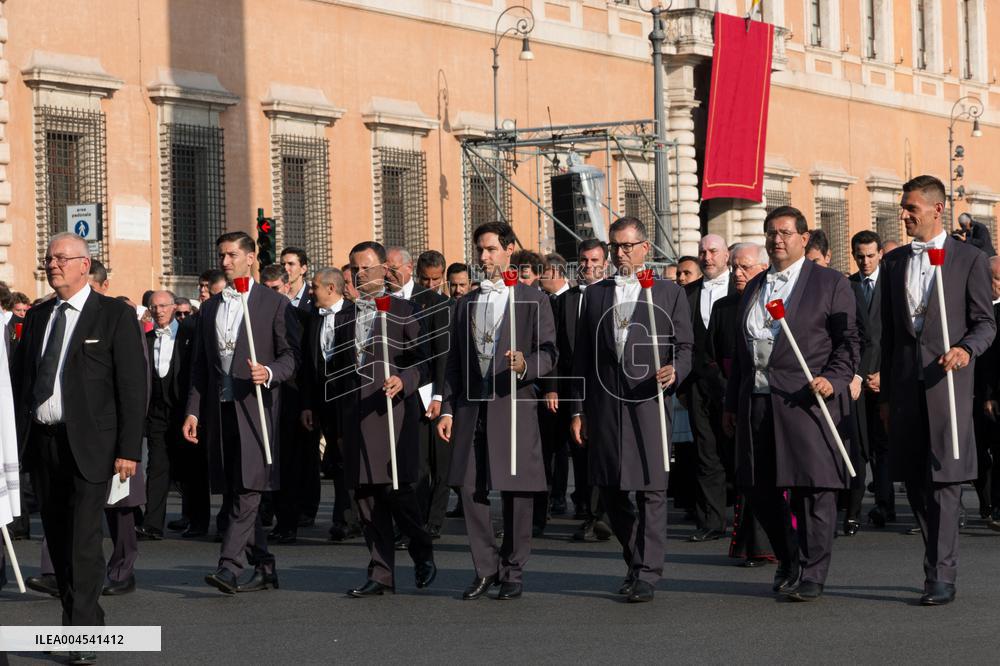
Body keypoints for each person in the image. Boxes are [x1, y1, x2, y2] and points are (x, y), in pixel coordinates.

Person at [11, 233, 146, 638]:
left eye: (61, 258)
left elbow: (132, 387)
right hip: (45, 443)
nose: (52, 264)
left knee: (83, 539)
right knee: (57, 536)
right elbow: (23, 384)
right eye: (48, 258)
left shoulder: (113, 316)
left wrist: (127, 449)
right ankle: (83, 616)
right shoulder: (38, 317)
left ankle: (81, 629)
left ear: (85, 265)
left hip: (93, 447)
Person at [722, 206, 859, 602]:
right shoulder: (755, 286)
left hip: (806, 401)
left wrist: (833, 380)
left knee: (812, 490)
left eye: (784, 232)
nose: (776, 240)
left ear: (803, 237)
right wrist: (733, 402)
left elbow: (849, 342)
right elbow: (741, 352)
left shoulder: (830, 283)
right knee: (757, 486)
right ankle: (789, 557)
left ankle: (814, 572)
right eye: (770, 233)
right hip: (758, 401)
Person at [879, 175, 995, 605]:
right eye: (902, 207)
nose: (904, 214)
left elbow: (986, 322)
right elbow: (890, 335)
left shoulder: (969, 259)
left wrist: (966, 349)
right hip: (907, 388)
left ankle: (940, 575)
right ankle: (935, 556)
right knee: (915, 480)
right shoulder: (893, 264)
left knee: (945, 481)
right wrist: (887, 396)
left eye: (911, 207)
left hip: (948, 386)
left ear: (937, 209)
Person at [570, 216, 694, 603]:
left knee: (651, 490)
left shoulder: (669, 291)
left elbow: (685, 346)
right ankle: (634, 558)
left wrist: (676, 370)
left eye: (627, 246)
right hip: (605, 406)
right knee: (610, 489)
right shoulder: (593, 295)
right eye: (615, 246)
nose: (620, 253)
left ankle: (647, 573)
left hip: (649, 401)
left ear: (645, 249)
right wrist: (579, 410)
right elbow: (582, 360)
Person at [438, 222, 557, 601]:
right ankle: (485, 568)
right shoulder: (466, 303)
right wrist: (446, 408)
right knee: (470, 488)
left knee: (516, 491)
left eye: (490, 249)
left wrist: (525, 365)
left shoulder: (533, 299)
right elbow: (454, 363)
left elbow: (550, 352)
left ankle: (513, 570)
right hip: (471, 409)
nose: (483, 257)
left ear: (509, 250)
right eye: (479, 250)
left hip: (515, 406)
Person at [182, 231, 299, 594]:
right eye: (222, 255)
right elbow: (201, 366)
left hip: (257, 410)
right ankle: (264, 565)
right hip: (221, 411)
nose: (225, 261)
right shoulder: (212, 307)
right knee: (235, 490)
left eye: (232, 255)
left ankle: (229, 566)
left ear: (251, 258)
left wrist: (270, 372)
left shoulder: (274, 304)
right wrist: (193, 412)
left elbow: (291, 357)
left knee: (250, 488)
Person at [330, 242, 435, 597]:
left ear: (383, 271)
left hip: (391, 415)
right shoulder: (345, 315)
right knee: (365, 500)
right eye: (354, 268)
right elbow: (337, 371)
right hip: (354, 418)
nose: (361, 274)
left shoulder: (403, 310)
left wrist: (404, 380)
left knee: (397, 496)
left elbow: (423, 360)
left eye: (367, 267)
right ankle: (381, 572)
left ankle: (422, 550)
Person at [708, 242, 771, 566]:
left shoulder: (775, 296)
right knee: (748, 472)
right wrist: (729, 399)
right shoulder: (729, 305)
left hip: (777, 396)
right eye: (734, 266)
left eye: (744, 266)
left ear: (762, 267)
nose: (737, 273)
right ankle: (752, 544)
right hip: (744, 394)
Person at [549, 239, 613, 542]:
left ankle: (602, 515)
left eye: (594, 260)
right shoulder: (566, 301)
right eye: (584, 260)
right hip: (574, 386)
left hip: (608, 388)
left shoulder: (616, 294)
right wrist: (552, 388)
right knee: (581, 450)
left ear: (606, 263)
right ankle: (590, 512)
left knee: (605, 452)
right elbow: (557, 349)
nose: (588, 266)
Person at [299, 268, 361, 542]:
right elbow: (309, 366)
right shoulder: (314, 317)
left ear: (331, 288)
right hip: (323, 400)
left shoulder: (356, 313)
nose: (311, 292)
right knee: (334, 460)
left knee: (347, 457)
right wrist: (308, 404)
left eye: (315, 287)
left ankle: (348, 517)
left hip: (350, 399)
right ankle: (346, 515)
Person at [681, 234, 735, 542]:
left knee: (736, 452)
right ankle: (712, 522)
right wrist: (684, 387)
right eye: (702, 252)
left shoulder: (742, 288)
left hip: (732, 384)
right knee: (706, 454)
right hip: (699, 386)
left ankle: (746, 519)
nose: (707, 257)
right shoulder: (686, 293)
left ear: (726, 255)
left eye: (713, 251)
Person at [138, 291, 194, 540]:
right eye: (154, 306)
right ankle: (152, 524)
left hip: (183, 410)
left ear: (174, 307)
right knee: (157, 466)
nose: (159, 310)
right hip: (157, 411)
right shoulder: (145, 339)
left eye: (163, 306)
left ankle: (195, 519)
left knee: (189, 467)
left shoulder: (188, 336)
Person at [847, 231, 892, 531]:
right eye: (860, 256)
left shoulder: (892, 285)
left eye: (871, 255)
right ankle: (853, 511)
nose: (865, 261)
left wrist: (883, 375)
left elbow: (897, 334)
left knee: (883, 444)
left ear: (879, 255)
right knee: (859, 445)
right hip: (856, 379)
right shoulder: (847, 286)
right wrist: (858, 375)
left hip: (885, 377)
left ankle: (885, 506)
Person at [412, 251, 455, 539]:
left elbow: (447, 358)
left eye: (436, 280)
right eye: (425, 279)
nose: (430, 285)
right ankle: (418, 517)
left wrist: (441, 396)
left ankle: (434, 521)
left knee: (441, 462)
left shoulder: (450, 307)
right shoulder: (409, 305)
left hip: (441, 392)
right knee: (418, 464)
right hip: (415, 391)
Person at [973, 256, 1000, 527]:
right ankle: (986, 503)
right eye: (997, 279)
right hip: (972, 391)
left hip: (992, 393)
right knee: (978, 454)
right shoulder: (974, 310)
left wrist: (992, 394)